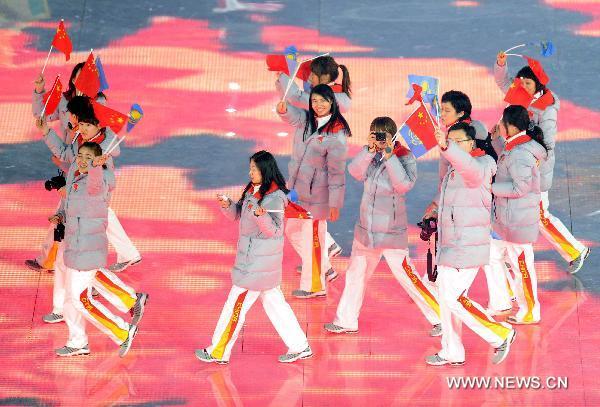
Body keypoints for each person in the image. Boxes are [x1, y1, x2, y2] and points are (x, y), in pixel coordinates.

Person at [323, 117, 441, 336]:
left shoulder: (404, 157)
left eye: (382, 134)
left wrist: (388, 156)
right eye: (374, 133)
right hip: (365, 230)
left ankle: (440, 317)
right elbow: (355, 172)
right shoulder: (369, 154)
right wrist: (369, 151)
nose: (378, 138)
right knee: (355, 274)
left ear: (392, 136)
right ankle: (346, 320)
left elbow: (403, 185)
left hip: (390, 231)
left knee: (408, 277)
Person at [195, 151, 311, 364]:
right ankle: (300, 345)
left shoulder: (275, 197)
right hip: (256, 261)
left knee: (234, 306)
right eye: (250, 168)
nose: (250, 172)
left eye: (254, 169)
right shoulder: (252, 190)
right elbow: (240, 214)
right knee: (276, 304)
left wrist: (262, 215)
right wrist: (228, 205)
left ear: (265, 171)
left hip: (257, 264)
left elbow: (275, 231)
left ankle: (218, 351)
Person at [425, 122, 515, 366]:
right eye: (449, 141)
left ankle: (500, 333)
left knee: (454, 298)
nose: (452, 146)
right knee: (446, 299)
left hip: (467, 245)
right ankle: (452, 350)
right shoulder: (455, 169)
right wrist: (434, 216)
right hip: (451, 244)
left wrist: (445, 146)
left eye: (457, 142)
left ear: (471, 143)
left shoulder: (483, 165)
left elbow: (471, 170)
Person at [495, 52, 589, 273]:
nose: (524, 87)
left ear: (538, 83)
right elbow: (502, 81)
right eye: (522, 83)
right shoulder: (521, 93)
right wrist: (501, 64)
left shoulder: (547, 108)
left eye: (528, 83)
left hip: (535, 168)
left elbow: (547, 143)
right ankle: (508, 253)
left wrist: (534, 162)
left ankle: (575, 250)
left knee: (539, 216)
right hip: (519, 162)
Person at [43, 140, 138, 357]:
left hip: (88, 249)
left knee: (80, 299)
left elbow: (94, 183)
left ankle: (123, 331)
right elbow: (71, 207)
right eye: (81, 156)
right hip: (74, 247)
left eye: (89, 157)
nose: (83, 160)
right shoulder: (76, 178)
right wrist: (60, 216)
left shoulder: (100, 181)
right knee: (69, 300)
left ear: (98, 161)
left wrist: (96, 166)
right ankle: (77, 342)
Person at [276, 84, 350, 298]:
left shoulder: (336, 133)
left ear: (332, 103)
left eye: (323, 101)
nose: (318, 105)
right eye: (314, 100)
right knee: (292, 230)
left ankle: (314, 286)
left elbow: (337, 173)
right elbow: (291, 115)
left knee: (312, 239)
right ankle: (324, 265)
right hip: (299, 192)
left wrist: (335, 203)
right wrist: (283, 109)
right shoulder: (308, 120)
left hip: (319, 197)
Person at [489, 105, 548, 325]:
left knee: (522, 267)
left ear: (511, 126)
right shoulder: (518, 147)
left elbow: (519, 188)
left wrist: (490, 187)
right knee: (496, 257)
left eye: (502, 122)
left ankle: (531, 311)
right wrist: (496, 141)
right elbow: (507, 159)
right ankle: (504, 301)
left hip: (517, 222)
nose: (499, 125)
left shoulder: (521, 153)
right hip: (509, 219)